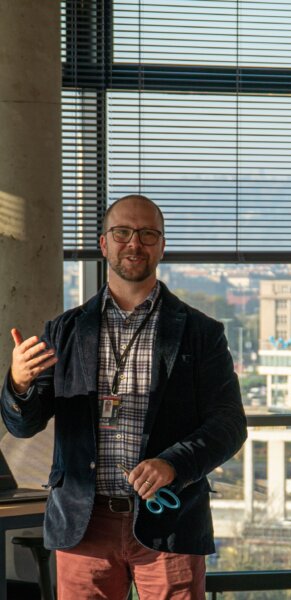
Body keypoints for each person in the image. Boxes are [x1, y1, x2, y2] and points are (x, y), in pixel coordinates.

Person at [1, 194, 247, 599]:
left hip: (169, 521)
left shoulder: (201, 333)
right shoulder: (63, 331)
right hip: (84, 524)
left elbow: (230, 425)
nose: (135, 243)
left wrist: (173, 464)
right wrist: (19, 383)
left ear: (162, 246)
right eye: (122, 233)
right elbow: (24, 425)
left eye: (148, 234)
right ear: (103, 243)